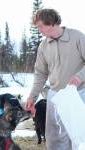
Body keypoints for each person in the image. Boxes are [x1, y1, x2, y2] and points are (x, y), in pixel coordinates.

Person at [25, 8, 85, 150]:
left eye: (40, 26)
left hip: (79, 94)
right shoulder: (43, 46)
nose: (38, 29)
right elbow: (40, 73)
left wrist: (80, 76)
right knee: (54, 138)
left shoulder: (77, 37)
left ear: (51, 22)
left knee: (78, 135)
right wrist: (32, 96)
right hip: (55, 95)